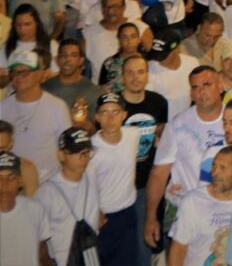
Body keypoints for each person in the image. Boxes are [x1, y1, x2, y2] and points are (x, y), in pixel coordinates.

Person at [145, 65, 226, 252]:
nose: (201, 92)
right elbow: (159, 172)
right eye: (195, 87)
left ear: (220, 85)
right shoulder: (178, 124)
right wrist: (150, 217)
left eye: (207, 84)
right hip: (183, 212)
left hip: (225, 213)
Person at [122, 51, 169, 266]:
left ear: (147, 75)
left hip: (146, 183)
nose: (135, 77)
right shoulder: (114, 107)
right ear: (122, 76)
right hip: (118, 184)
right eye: (130, 73)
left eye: (140, 72)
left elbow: (161, 137)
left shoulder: (158, 103)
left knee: (145, 242)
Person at [168, 145, 232, 266]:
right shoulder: (193, 201)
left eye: (223, 168)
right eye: (214, 166)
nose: (215, 172)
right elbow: (178, 249)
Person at [0, 48, 71, 184]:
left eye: (25, 72)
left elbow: (66, 151)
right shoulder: (2, 107)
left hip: (49, 185)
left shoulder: (57, 106)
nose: (19, 76)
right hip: (11, 187)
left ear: (40, 74)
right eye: (15, 72)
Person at [35, 128, 102, 266]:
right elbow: (38, 239)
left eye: (87, 152)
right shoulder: (47, 192)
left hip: (91, 258)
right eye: (76, 153)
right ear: (62, 155)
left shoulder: (92, 176)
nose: (83, 158)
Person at [91, 91, 141, 265]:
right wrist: (94, 211)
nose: (110, 118)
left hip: (127, 214)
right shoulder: (91, 149)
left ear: (124, 115)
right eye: (104, 112)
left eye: (115, 112)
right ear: (97, 117)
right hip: (102, 218)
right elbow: (86, 184)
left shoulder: (133, 134)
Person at [0, 150, 49, 266]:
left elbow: (43, 255)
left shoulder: (35, 209)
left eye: (11, 178)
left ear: (20, 181)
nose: (4, 185)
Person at [43, 38, 103, 131]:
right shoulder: (45, 89)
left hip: (81, 143)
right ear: (56, 60)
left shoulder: (94, 91)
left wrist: (89, 128)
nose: (68, 59)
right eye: (63, 55)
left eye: (74, 55)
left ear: (81, 60)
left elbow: (101, 130)